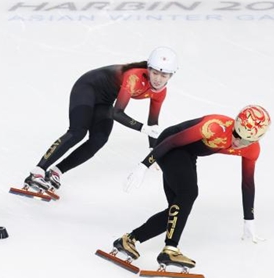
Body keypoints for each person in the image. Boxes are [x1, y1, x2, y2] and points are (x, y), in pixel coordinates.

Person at [115, 105, 271, 269]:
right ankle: (170, 249)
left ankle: (128, 240)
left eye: (246, 140)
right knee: (189, 193)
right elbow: (173, 141)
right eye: (237, 134)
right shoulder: (215, 126)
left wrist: (249, 219)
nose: (238, 142)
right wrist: (144, 165)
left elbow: (247, 183)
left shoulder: (251, 150)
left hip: (188, 155)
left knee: (176, 210)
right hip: (169, 144)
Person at [21, 47, 178, 194]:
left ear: (171, 76)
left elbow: (153, 122)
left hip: (104, 101)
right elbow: (117, 113)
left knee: (99, 139)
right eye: (155, 73)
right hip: (87, 88)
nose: (158, 79)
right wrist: (142, 128)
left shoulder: (160, 93)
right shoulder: (134, 76)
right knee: (77, 132)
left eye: (164, 75)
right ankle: (38, 171)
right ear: (148, 69)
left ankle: (56, 171)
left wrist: (153, 149)